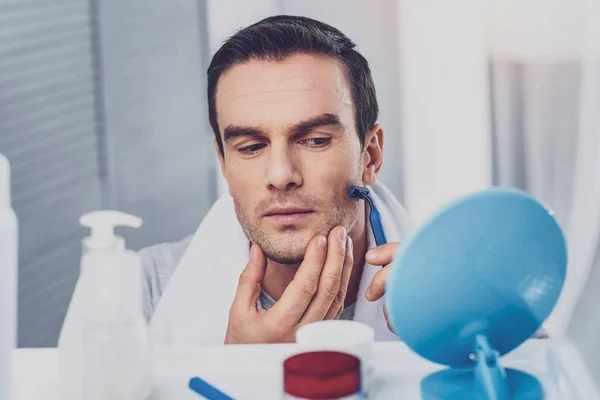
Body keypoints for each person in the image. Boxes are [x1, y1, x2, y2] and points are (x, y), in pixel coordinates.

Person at [141, 14, 415, 345]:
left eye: (315, 140)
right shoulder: (144, 291)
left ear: (370, 155)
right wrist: (240, 368)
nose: (281, 175)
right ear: (224, 164)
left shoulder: (454, 292)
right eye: (251, 147)